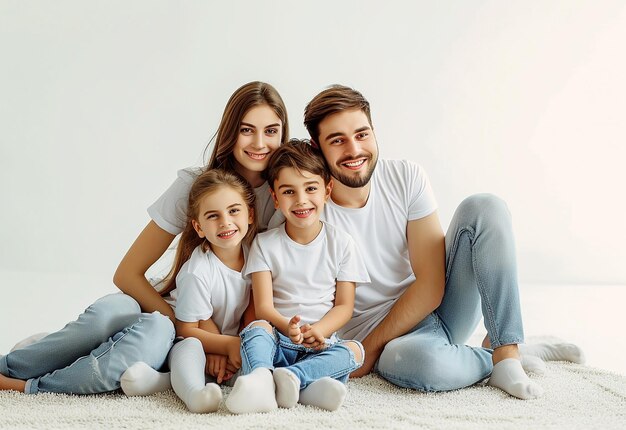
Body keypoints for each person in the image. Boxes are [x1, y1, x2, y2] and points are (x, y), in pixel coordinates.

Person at [295, 85, 585, 400]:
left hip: (443, 309)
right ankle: (501, 356)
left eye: (362, 134)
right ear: (316, 147)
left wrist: (367, 351)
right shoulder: (307, 207)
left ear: (374, 132)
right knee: (422, 365)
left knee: (485, 206)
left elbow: (433, 284)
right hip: (397, 346)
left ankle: (507, 350)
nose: (354, 150)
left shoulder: (405, 176)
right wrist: (368, 348)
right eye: (337, 140)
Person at [0, 81, 289, 395]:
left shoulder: (285, 198)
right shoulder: (195, 185)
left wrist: (209, 339)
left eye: (271, 131)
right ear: (230, 131)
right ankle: (15, 364)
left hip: (191, 332)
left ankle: (31, 388)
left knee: (150, 339)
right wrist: (187, 326)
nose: (260, 143)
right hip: (165, 309)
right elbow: (127, 274)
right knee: (108, 318)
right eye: (247, 130)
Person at [224, 140, 369, 414]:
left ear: (327, 190)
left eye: (311, 188)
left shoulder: (342, 243)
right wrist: (287, 327)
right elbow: (264, 307)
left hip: (321, 344)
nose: (301, 200)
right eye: (289, 191)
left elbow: (344, 306)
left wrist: (319, 331)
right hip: (278, 340)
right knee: (256, 329)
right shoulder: (265, 245)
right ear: (276, 197)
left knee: (355, 350)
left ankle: (297, 378)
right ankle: (263, 380)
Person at [151, 168, 256, 413]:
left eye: (233, 211)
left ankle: (160, 382)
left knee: (260, 353)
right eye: (213, 216)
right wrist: (225, 345)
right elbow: (187, 329)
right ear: (199, 228)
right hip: (189, 338)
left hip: (224, 339)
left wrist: (226, 348)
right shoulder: (197, 271)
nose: (225, 222)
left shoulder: (256, 255)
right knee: (189, 351)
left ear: (249, 214)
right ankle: (194, 394)